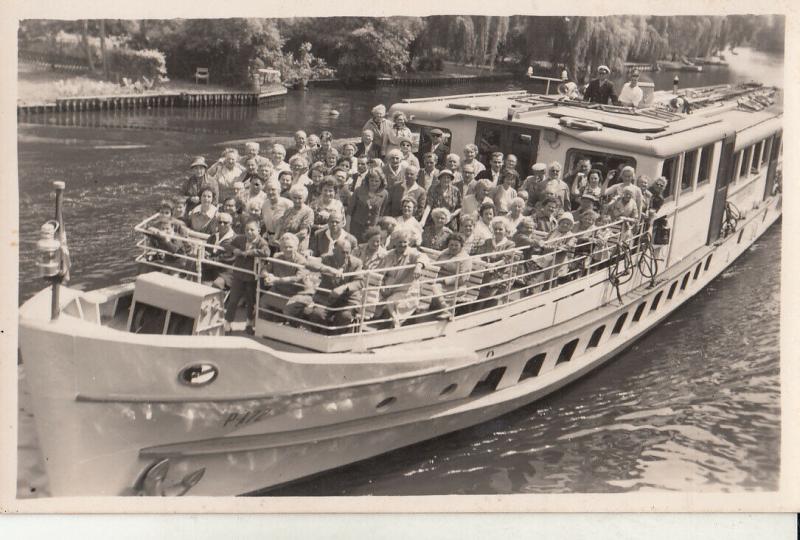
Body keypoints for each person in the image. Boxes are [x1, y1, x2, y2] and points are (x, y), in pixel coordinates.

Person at [302, 238, 365, 333]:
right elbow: (308, 263)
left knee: (345, 316)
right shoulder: (326, 258)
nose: (346, 256)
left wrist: (343, 288)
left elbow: (359, 282)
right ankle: (320, 335)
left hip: (347, 300)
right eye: (343, 252)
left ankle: (335, 337)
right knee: (316, 314)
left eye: (348, 252)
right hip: (327, 298)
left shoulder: (356, 263)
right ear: (334, 250)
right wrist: (329, 269)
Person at [374, 229, 430, 328]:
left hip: (406, 291)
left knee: (390, 302)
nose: (402, 244)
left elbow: (423, 257)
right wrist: (382, 285)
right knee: (370, 300)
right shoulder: (389, 255)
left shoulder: (412, 253)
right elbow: (379, 272)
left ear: (409, 242)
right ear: (395, 242)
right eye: (400, 242)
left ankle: (396, 323)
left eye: (405, 242)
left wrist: (418, 266)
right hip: (387, 290)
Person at [223, 219, 270, 334]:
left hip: (251, 278)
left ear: (258, 230)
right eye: (247, 230)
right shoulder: (240, 239)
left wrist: (251, 252)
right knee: (233, 300)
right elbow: (224, 244)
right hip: (238, 275)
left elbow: (266, 252)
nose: (249, 232)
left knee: (251, 302)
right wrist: (235, 250)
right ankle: (227, 324)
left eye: (252, 230)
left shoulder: (262, 242)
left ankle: (249, 323)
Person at [474, 217, 516, 309]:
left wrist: (494, 265)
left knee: (489, 295)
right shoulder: (488, 242)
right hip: (486, 273)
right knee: (479, 296)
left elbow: (506, 260)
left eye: (500, 229)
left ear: (506, 230)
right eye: (495, 229)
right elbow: (481, 255)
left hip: (500, 274)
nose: (497, 231)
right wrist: (481, 262)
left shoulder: (510, 244)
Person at [428, 232, 471, 317]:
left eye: (456, 245)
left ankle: (446, 310)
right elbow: (436, 263)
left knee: (434, 287)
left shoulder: (465, 258)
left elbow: (463, 279)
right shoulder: (446, 253)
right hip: (440, 282)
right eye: (451, 245)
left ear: (461, 246)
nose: (453, 247)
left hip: (457, 286)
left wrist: (444, 280)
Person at [348, 169, 389, 242]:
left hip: (372, 228)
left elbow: (382, 212)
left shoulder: (384, 193)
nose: (374, 183)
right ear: (368, 180)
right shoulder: (359, 190)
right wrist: (347, 227)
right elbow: (349, 211)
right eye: (372, 180)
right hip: (356, 226)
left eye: (377, 181)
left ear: (381, 182)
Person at [276, 185, 314, 252]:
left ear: (305, 198)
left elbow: (303, 233)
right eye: (294, 197)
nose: (297, 200)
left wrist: (287, 240)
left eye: (300, 198)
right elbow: (281, 225)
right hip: (284, 246)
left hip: (298, 247)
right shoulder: (288, 210)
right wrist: (276, 238)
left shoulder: (308, 212)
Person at [204, 212, 237, 286]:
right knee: (196, 273)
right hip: (211, 268)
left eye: (225, 223)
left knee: (217, 284)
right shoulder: (212, 237)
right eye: (219, 222)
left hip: (226, 272)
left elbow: (228, 258)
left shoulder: (235, 240)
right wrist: (205, 255)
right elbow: (206, 250)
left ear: (231, 224)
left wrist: (210, 260)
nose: (222, 225)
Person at [260, 178, 293, 248]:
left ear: (279, 190)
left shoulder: (288, 204)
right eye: (268, 190)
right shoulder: (265, 204)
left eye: (273, 189)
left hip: (283, 241)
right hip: (269, 239)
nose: (270, 192)